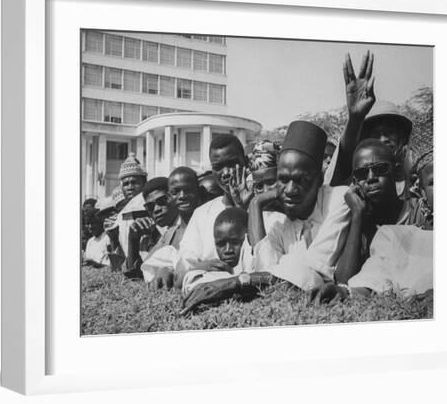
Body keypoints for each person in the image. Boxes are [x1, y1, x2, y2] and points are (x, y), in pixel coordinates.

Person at [181, 121, 351, 313]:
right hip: (280, 278)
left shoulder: (338, 199)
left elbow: (311, 272)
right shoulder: (280, 221)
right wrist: (255, 204)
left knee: (296, 269)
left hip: (314, 281)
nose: (290, 190)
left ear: (319, 179)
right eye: (283, 180)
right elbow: (265, 269)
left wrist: (239, 282)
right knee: (198, 278)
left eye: (301, 180)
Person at [333, 139, 423, 286]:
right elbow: (344, 280)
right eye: (362, 173)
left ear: (397, 172)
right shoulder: (360, 220)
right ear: (355, 183)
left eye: (380, 169)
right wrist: (357, 216)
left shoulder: (418, 211)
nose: (371, 178)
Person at [325, 52, 412, 199]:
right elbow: (333, 182)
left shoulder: (415, 176)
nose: (383, 139)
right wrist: (355, 118)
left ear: (402, 137)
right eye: (376, 134)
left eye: (389, 132)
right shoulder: (361, 183)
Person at [176, 134, 250, 272]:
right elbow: (186, 261)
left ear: (245, 162)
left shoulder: (261, 208)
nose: (226, 172)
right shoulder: (202, 214)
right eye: (218, 167)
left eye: (233, 163)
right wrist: (203, 267)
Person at [180, 208, 255, 311]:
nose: (228, 250)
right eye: (221, 244)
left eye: (235, 242)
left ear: (247, 238)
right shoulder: (212, 270)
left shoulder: (255, 261)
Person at [141, 167, 202, 288]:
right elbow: (147, 267)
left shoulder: (200, 223)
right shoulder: (169, 232)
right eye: (150, 206)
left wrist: (170, 270)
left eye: (162, 201)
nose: (182, 196)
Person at [124, 177, 180, 279]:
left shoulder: (185, 225)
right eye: (150, 206)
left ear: (174, 197)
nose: (156, 209)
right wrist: (133, 239)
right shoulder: (164, 232)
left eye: (162, 201)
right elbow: (136, 275)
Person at [115, 153, 148, 261]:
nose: (130, 187)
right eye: (126, 184)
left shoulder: (150, 206)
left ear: (144, 183)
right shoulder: (121, 214)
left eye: (134, 182)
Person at [82, 199, 113, 268]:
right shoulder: (90, 241)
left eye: (93, 224)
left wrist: (96, 265)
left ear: (100, 222)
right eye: (88, 224)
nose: (90, 227)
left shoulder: (108, 238)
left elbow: (112, 265)